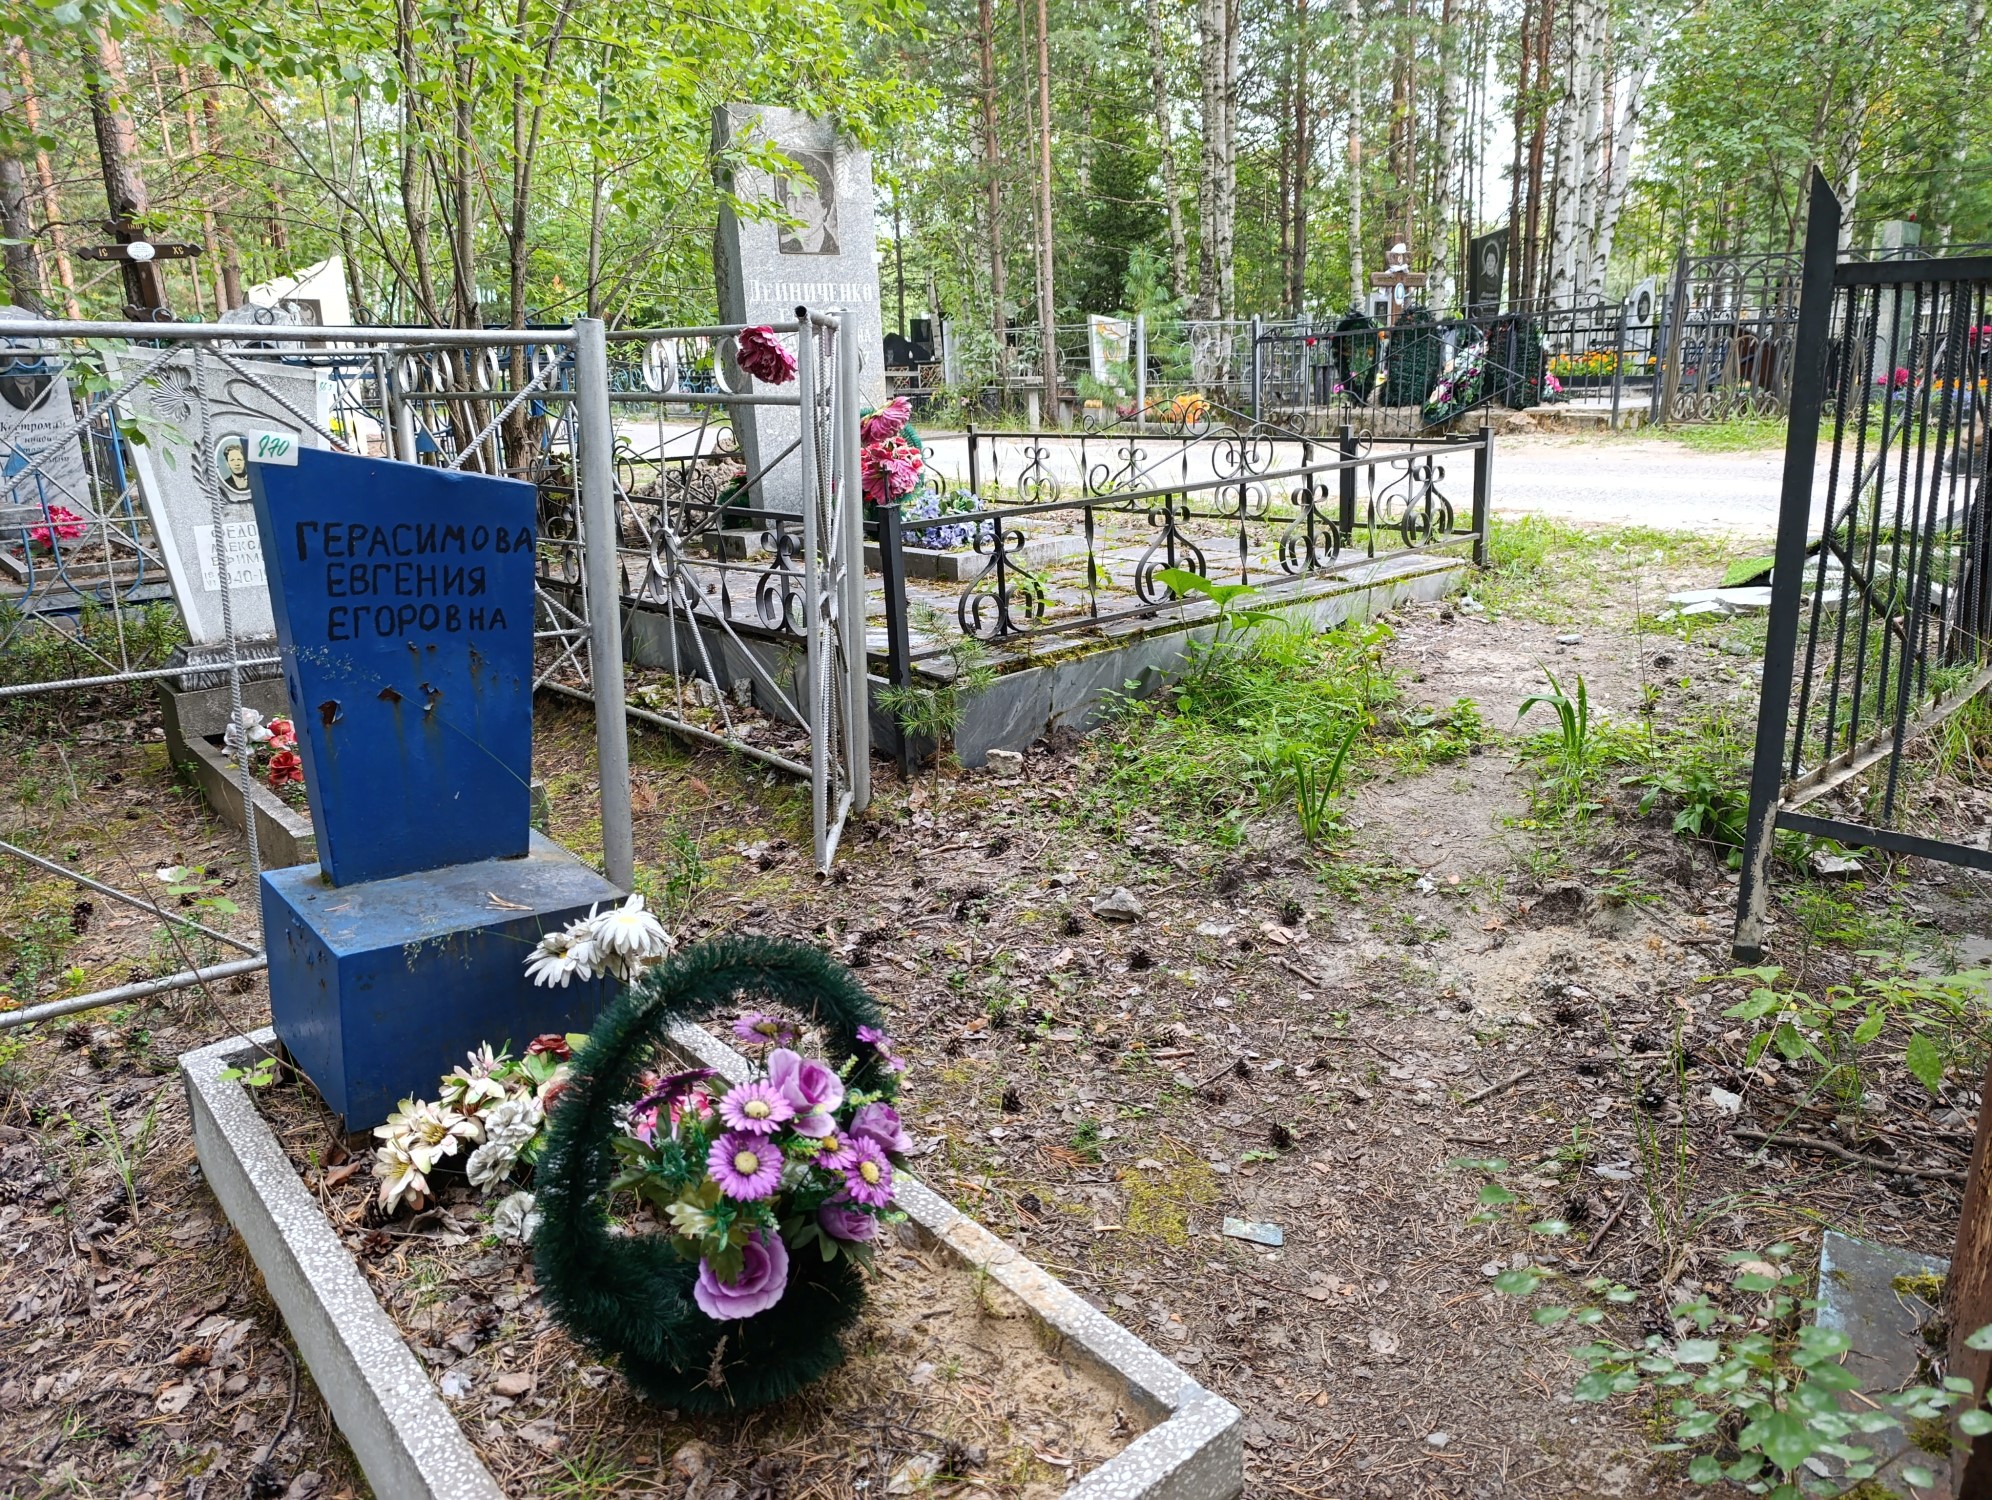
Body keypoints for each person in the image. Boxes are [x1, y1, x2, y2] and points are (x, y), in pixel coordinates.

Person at [776, 152, 839, 256]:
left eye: (807, 197)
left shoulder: (833, 247)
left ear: (824, 207)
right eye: (791, 197)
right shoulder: (785, 246)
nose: (797, 207)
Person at [216, 434, 251, 501]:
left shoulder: (255, 482)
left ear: (245, 461)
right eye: (232, 460)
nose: (236, 464)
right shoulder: (227, 482)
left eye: (239, 459)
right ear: (227, 464)